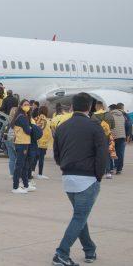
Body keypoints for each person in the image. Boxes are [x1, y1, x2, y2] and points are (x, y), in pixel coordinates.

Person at [52, 92, 107, 266]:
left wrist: (65, 166)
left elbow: (57, 153)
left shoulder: (62, 126)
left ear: (73, 106)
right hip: (87, 179)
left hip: (68, 178)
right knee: (79, 217)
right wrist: (98, 175)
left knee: (80, 217)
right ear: (89, 107)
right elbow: (102, 153)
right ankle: (61, 253)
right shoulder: (94, 125)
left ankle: (89, 250)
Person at [11, 99, 36, 194]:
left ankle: (26, 184)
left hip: (25, 142)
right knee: (20, 165)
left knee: (25, 165)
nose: (27, 106)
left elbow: (28, 128)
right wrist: (29, 128)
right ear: (21, 106)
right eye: (25, 104)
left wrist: (29, 128)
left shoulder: (25, 116)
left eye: (28, 105)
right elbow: (28, 130)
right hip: (21, 143)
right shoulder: (21, 117)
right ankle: (15, 186)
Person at [92, 101, 116, 179]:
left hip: (97, 137)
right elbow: (113, 126)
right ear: (102, 106)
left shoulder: (93, 116)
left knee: (96, 153)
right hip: (107, 136)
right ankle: (108, 172)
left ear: (97, 107)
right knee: (107, 153)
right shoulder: (109, 114)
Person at [35, 106, 52, 180]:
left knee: (36, 158)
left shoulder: (39, 118)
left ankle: (32, 171)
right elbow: (42, 128)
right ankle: (40, 174)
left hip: (40, 141)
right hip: (42, 141)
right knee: (40, 158)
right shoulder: (43, 118)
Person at [111, 103, 129, 175]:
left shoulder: (110, 115)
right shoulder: (124, 115)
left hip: (113, 136)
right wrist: (127, 136)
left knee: (112, 152)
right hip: (122, 137)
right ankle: (119, 169)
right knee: (120, 153)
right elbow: (128, 125)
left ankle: (111, 168)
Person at [4, 107, 19, 176]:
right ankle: (17, 173)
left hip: (7, 139)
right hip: (15, 140)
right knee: (18, 158)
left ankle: (11, 173)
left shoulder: (9, 120)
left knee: (11, 158)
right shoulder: (18, 120)